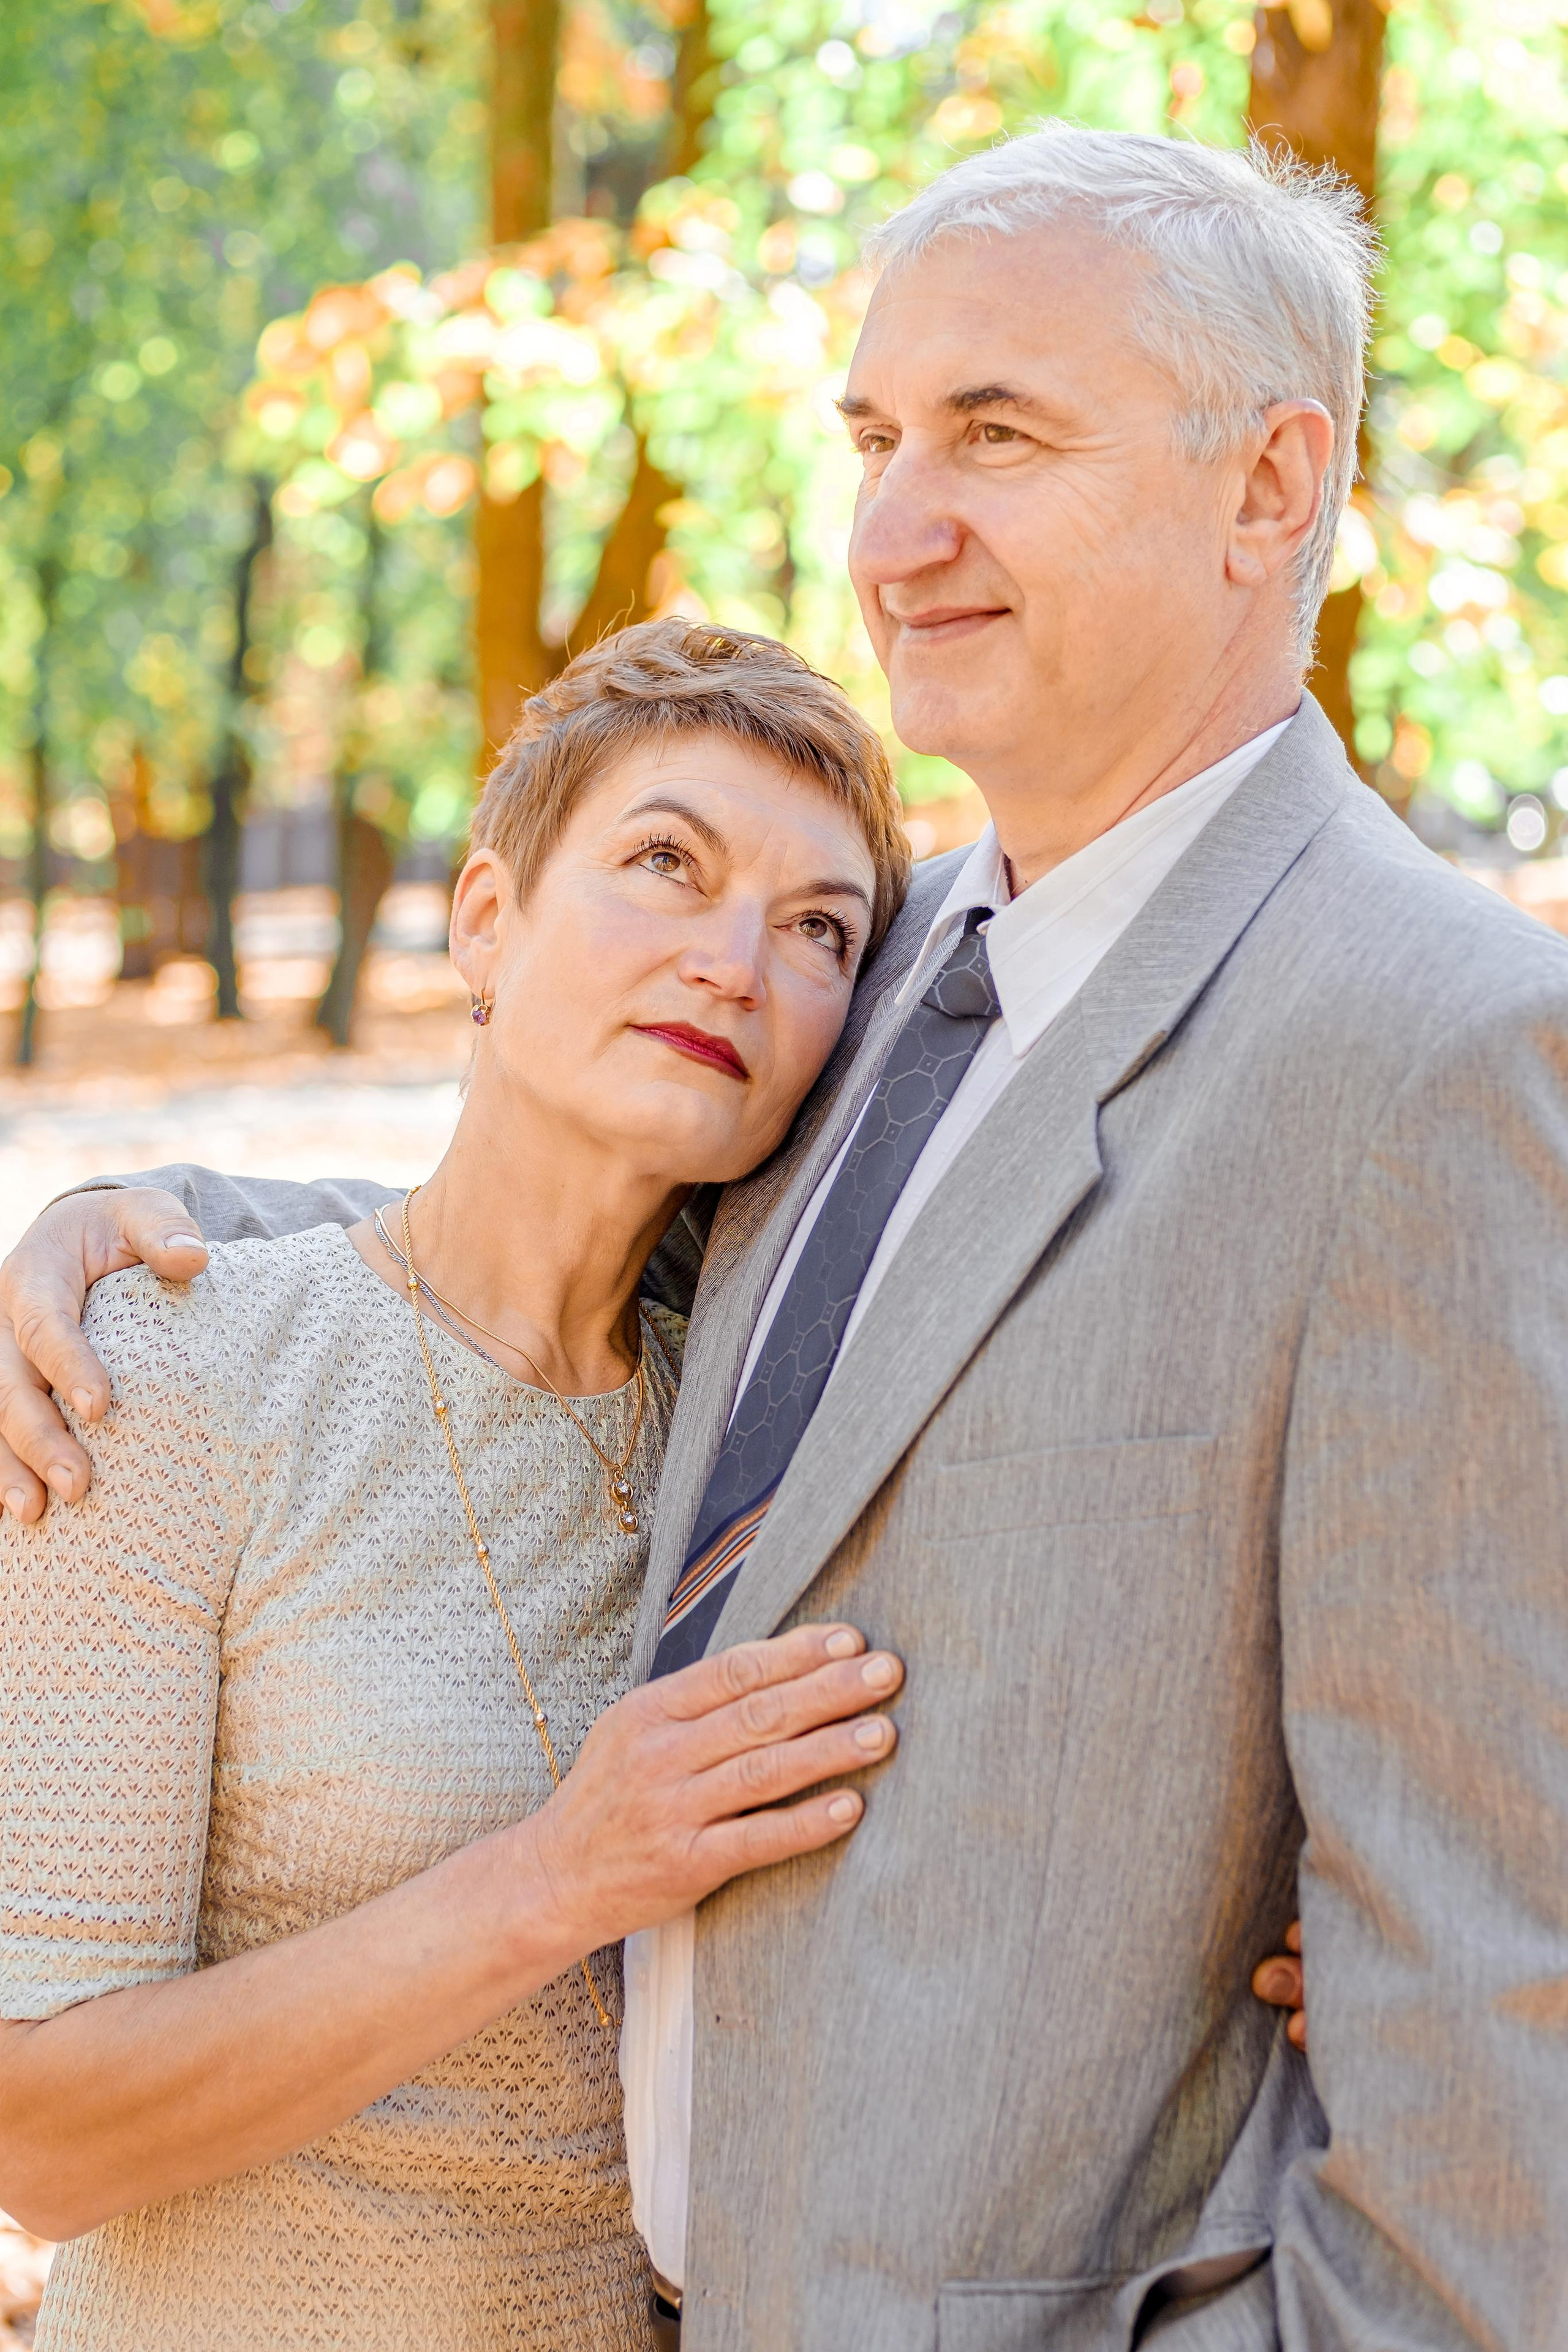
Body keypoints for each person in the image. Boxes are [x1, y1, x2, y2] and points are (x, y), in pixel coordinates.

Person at [6, 119, 1562, 2346]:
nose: (897, 533)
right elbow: (566, 1225)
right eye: (878, 438)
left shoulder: (1443, 1055)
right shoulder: (885, 978)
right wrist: (143, 1225)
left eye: (999, 436)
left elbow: (1496, 2044)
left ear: (1271, 484)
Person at [0, 623, 918, 2351]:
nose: (736, 961)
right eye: (666, 862)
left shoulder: (793, 1434)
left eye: (819, 930)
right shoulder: (169, 1377)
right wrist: (560, 1875)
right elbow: (39, 2140)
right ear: (483, 920)